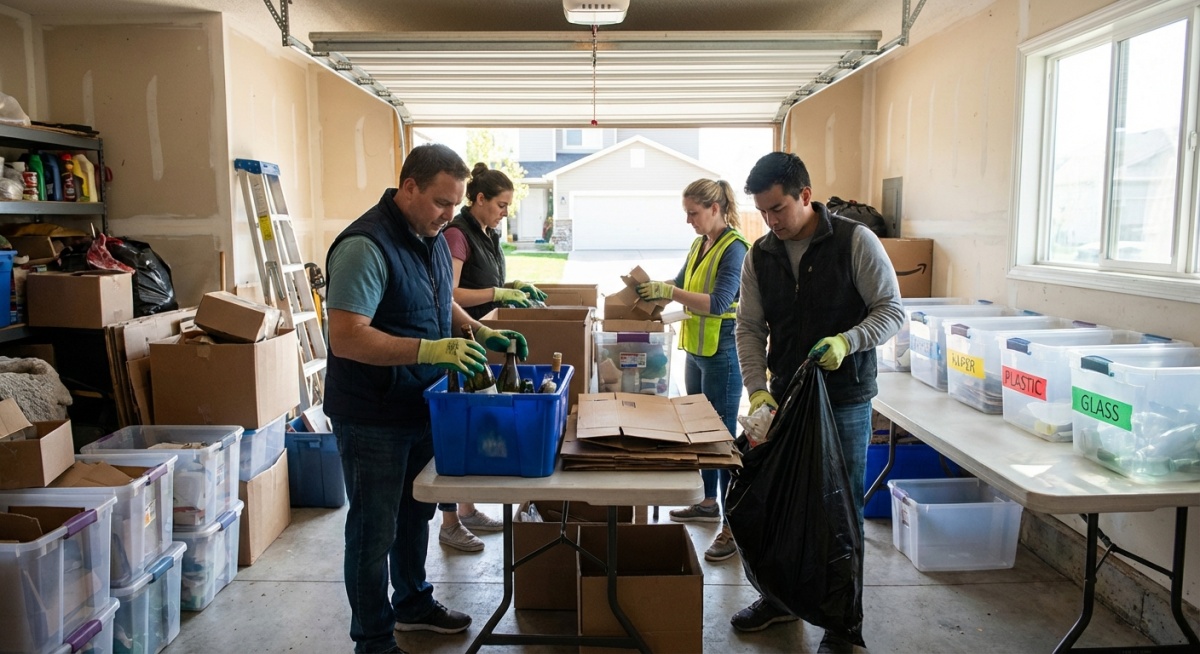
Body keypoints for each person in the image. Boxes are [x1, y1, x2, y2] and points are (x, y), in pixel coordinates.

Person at [324, 143, 529, 654]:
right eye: (441, 202)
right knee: (374, 531)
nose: (449, 214)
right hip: (371, 412)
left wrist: (480, 333)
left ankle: (413, 604)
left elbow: (441, 303)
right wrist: (428, 349)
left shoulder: (434, 237)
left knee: (415, 513)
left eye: (456, 205)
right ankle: (372, 637)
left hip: (422, 402)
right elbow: (346, 336)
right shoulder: (365, 246)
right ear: (408, 187)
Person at [732, 151, 903, 650]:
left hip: (844, 400)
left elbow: (891, 311)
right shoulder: (760, 254)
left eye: (778, 209)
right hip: (784, 399)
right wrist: (758, 388)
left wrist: (848, 341)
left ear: (805, 196)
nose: (770, 221)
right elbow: (749, 327)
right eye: (762, 212)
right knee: (777, 501)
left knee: (839, 509)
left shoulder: (855, 241)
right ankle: (781, 600)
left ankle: (842, 623)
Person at [635, 178, 748, 563]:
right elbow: (682, 284)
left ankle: (733, 528)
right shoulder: (701, 244)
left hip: (723, 353)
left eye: (693, 213)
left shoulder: (736, 249)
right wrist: (654, 286)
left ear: (715, 209)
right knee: (698, 435)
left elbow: (718, 302)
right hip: (697, 350)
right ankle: (707, 502)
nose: (689, 221)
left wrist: (669, 294)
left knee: (724, 440)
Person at [436, 162, 548, 552]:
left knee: (479, 424)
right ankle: (449, 521)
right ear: (479, 199)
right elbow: (449, 294)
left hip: (484, 340)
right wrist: (497, 295)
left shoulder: (487, 234)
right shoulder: (456, 235)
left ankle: (466, 510)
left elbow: (487, 281)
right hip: (459, 341)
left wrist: (511, 286)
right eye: (500, 204)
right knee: (458, 431)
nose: (505, 212)